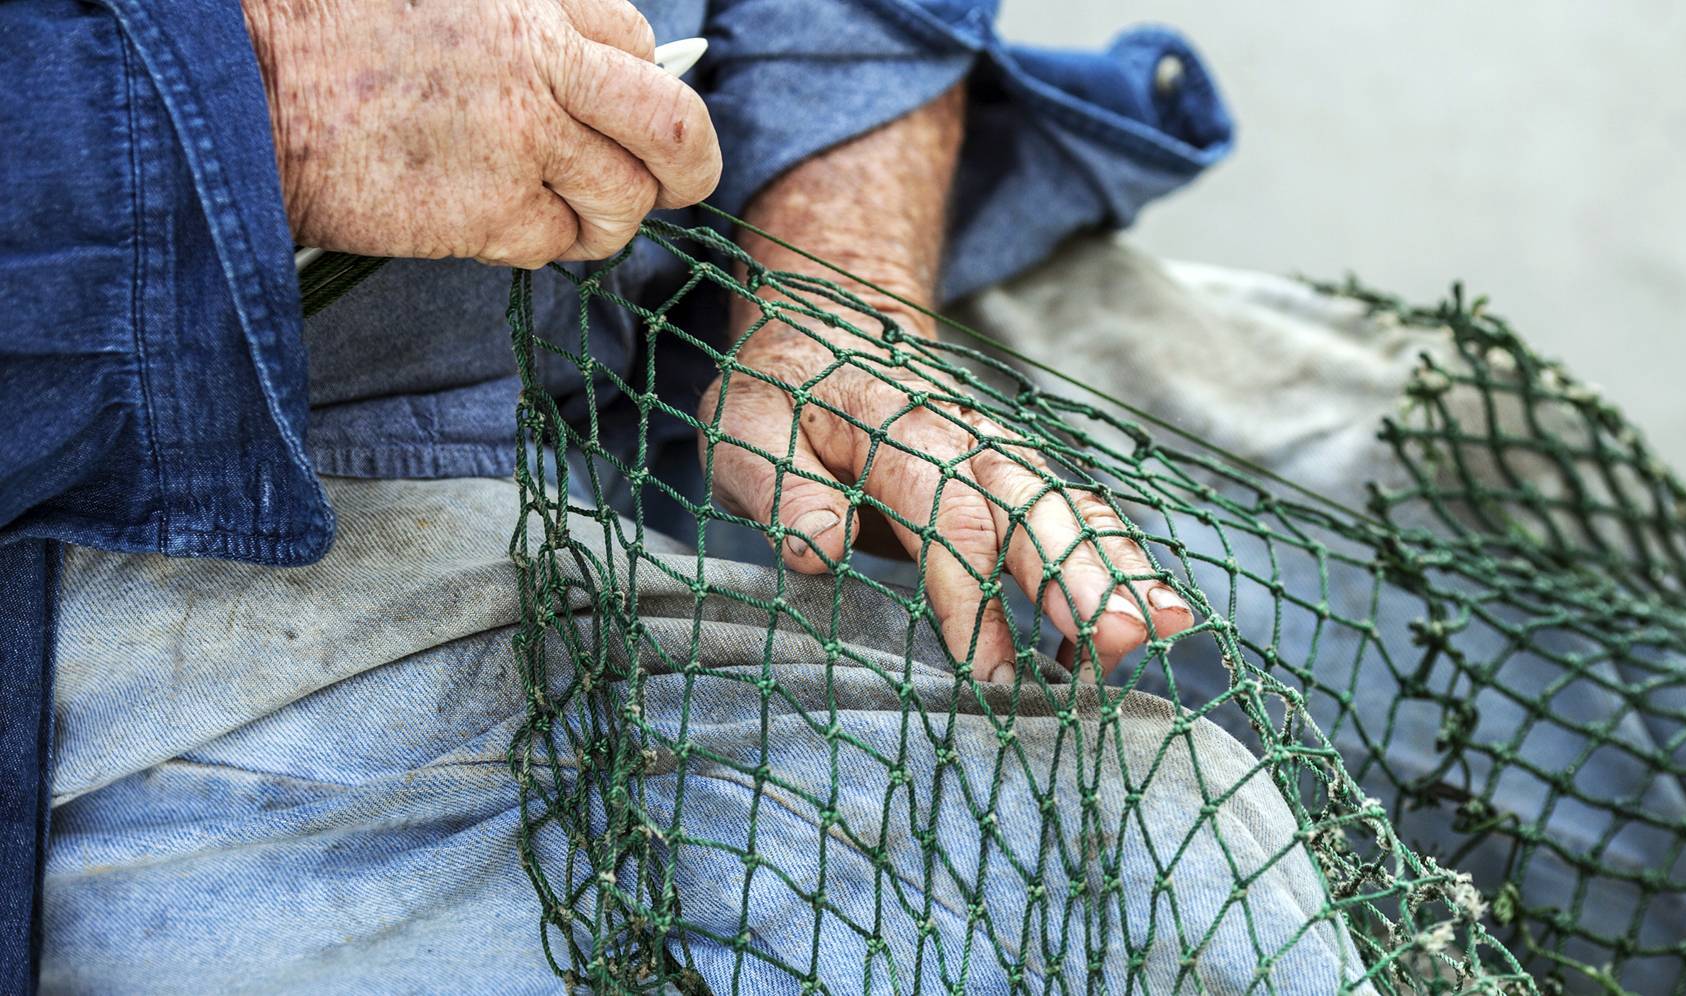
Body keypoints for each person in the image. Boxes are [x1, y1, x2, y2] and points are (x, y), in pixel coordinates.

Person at [0, 0, 1280, 991]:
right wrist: (262, 94)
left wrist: (839, 286)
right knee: (1140, 857)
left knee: (1351, 539)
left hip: (687, 277)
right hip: (121, 505)